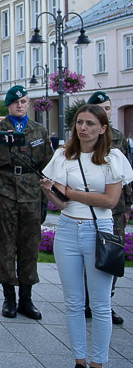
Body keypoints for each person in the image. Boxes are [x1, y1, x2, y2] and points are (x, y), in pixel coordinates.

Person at [39, 104, 133, 368]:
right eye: (80, 122)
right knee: (73, 302)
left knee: (101, 304)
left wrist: (70, 191)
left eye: (90, 123)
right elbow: (61, 204)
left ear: (103, 128)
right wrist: (50, 192)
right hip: (67, 229)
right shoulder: (63, 156)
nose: (83, 128)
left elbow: (110, 201)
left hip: (99, 230)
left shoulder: (112, 158)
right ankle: (79, 362)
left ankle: (98, 366)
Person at [0, 85, 53, 319]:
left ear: (28, 104)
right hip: (5, 195)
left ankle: (27, 298)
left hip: (32, 195)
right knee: (7, 247)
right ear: (8, 106)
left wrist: (44, 201)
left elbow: (47, 169)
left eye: (23, 101)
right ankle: (9, 298)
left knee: (30, 248)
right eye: (15, 102)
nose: (20, 105)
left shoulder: (40, 131)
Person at [84, 91, 132, 325]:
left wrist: (127, 206)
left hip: (115, 207)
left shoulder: (119, 138)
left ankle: (106, 302)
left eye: (109, 107)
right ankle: (86, 301)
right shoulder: (82, 138)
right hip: (90, 206)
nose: (106, 111)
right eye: (100, 108)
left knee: (111, 256)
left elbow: (126, 176)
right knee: (89, 253)